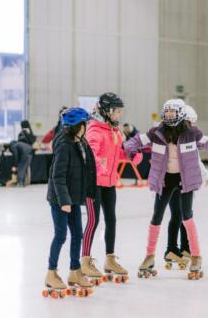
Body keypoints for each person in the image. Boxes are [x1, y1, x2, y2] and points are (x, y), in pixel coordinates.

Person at [124, 99, 208, 280]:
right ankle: (149, 256)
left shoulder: (192, 133)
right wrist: (131, 152)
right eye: (166, 112)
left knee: (187, 217)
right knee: (156, 217)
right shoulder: (156, 132)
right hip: (165, 180)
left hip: (185, 181)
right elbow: (134, 142)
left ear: (181, 114)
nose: (168, 116)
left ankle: (196, 256)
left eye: (172, 113)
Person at [44, 107, 95, 298]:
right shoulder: (64, 145)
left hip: (73, 198)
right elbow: (57, 176)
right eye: (85, 124)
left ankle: (74, 270)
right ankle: (51, 272)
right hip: (60, 199)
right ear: (77, 126)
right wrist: (64, 201)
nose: (87, 127)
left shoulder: (78, 142)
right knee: (61, 236)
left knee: (77, 235)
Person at [81, 92, 130, 283]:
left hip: (109, 183)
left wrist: (132, 157)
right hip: (94, 184)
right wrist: (101, 166)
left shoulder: (114, 131)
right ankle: (85, 261)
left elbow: (116, 155)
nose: (119, 115)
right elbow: (90, 157)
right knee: (94, 221)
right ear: (107, 111)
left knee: (112, 220)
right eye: (117, 112)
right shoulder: (94, 130)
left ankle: (110, 259)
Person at [165, 104, 208, 268]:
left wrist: (204, 174)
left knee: (182, 216)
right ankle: (175, 248)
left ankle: (183, 248)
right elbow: (195, 159)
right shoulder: (179, 136)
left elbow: (196, 158)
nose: (193, 126)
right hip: (176, 181)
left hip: (184, 181)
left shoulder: (186, 136)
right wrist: (205, 174)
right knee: (182, 215)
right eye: (191, 123)